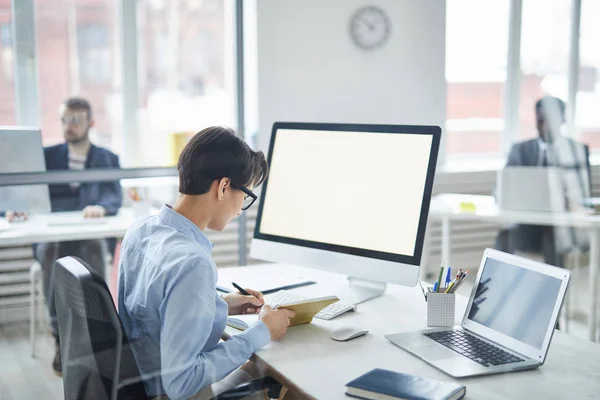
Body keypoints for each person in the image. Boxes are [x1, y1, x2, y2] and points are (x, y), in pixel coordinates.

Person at [117, 126, 295, 400]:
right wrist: (263, 331)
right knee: (290, 386)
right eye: (245, 195)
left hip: (141, 383)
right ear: (224, 187)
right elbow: (182, 382)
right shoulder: (192, 264)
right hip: (174, 394)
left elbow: (153, 312)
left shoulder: (141, 230)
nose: (240, 208)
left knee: (256, 370)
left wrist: (217, 304)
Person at [6, 97, 122, 376]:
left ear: (90, 123)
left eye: (75, 120)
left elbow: (113, 196)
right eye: (63, 120)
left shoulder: (107, 158)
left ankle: (95, 334)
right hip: (53, 237)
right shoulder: (45, 157)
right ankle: (61, 337)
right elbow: (22, 193)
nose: (68, 126)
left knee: (93, 245)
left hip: (87, 236)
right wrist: (16, 207)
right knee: (50, 250)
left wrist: (102, 207)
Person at [495, 96, 591, 267]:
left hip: (559, 222)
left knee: (553, 236)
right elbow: (503, 189)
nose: (545, 126)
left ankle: (555, 288)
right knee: (506, 234)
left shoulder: (576, 151)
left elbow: (583, 193)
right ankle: (502, 284)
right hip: (527, 220)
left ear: (562, 120)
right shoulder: (520, 150)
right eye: (541, 120)